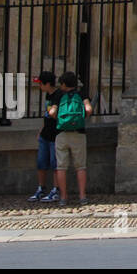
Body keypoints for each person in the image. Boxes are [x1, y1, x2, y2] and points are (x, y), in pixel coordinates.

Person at [48, 72, 92, 206]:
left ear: (63, 84)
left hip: (61, 134)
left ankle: (63, 197)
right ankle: (82, 197)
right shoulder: (82, 94)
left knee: (61, 167)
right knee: (81, 167)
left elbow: (52, 112)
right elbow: (88, 109)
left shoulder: (59, 95)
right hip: (78, 133)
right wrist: (79, 119)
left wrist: (60, 119)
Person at [29, 72, 61, 203]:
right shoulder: (48, 95)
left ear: (47, 84)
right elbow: (46, 116)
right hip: (45, 134)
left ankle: (56, 189)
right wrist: (41, 131)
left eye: (41, 83)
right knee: (41, 163)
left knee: (55, 164)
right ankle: (41, 188)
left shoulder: (59, 95)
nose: (40, 86)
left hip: (55, 134)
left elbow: (54, 114)